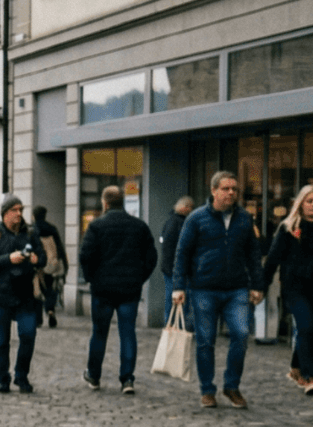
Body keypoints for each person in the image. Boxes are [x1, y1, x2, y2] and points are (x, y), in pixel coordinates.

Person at [173, 171, 266, 409]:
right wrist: (178, 286)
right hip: (204, 288)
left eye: (234, 189)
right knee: (205, 341)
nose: (231, 193)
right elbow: (182, 253)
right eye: (226, 189)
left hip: (236, 289)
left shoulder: (244, 219)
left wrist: (257, 285)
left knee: (241, 334)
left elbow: (254, 255)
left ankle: (231, 386)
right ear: (214, 191)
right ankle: (207, 389)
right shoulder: (196, 218)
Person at [78, 185, 159, 394]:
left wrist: (91, 279)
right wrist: (139, 278)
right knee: (127, 333)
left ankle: (94, 376)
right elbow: (151, 257)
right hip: (129, 290)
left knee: (99, 333)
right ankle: (127, 379)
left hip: (102, 289)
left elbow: (85, 256)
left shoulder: (96, 226)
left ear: (105, 203)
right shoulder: (139, 226)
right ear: (122, 202)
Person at [0, 196, 45, 393]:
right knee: (2, 340)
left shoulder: (30, 232)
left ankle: (21, 375)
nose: (19, 213)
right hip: (0, 292)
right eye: (14, 210)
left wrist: (36, 259)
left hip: (25, 292)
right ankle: (3, 378)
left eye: (21, 209)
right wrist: (9, 258)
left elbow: (43, 258)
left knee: (28, 335)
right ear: (5, 213)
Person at [263, 184, 313, 395]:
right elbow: (273, 259)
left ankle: (295, 367)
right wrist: (261, 287)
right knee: (306, 327)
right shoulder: (289, 228)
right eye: (310, 201)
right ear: (300, 204)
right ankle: (310, 377)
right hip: (295, 287)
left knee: (309, 330)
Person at [159, 195, 195, 323]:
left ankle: (169, 327)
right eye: (191, 208)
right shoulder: (181, 224)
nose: (192, 211)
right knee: (179, 300)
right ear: (185, 208)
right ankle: (177, 329)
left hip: (168, 268)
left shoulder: (170, 221)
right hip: (176, 269)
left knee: (171, 299)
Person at [33, 205, 66, 328]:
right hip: (52, 263)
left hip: (39, 265)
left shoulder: (33, 229)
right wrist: (63, 264)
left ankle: (38, 319)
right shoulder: (52, 228)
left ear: (34, 216)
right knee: (51, 289)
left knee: (38, 290)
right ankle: (50, 310)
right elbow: (59, 246)